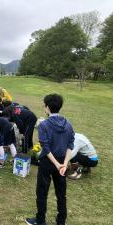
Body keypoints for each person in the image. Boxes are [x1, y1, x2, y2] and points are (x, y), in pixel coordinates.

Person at [25, 94, 74, 225]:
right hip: (62, 161)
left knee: (42, 192)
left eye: (44, 105)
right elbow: (70, 145)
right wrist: (63, 164)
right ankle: (61, 221)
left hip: (48, 162)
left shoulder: (44, 125)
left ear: (47, 107)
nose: (44, 107)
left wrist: (58, 164)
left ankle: (40, 221)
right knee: (61, 193)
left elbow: (46, 148)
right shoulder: (68, 124)